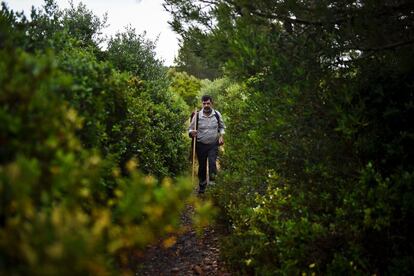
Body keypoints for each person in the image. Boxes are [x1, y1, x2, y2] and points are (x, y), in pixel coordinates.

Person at [189, 95, 225, 194]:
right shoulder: (197, 115)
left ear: (211, 103)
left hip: (213, 144)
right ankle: (202, 185)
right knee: (202, 166)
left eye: (208, 103)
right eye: (204, 103)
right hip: (201, 144)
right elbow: (190, 129)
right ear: (202, 103)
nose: (206, 105)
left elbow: (222, 127)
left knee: (212, 164)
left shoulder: (217, 114)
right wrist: (192, 132)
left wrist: (221, 136)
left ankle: (213, 186)